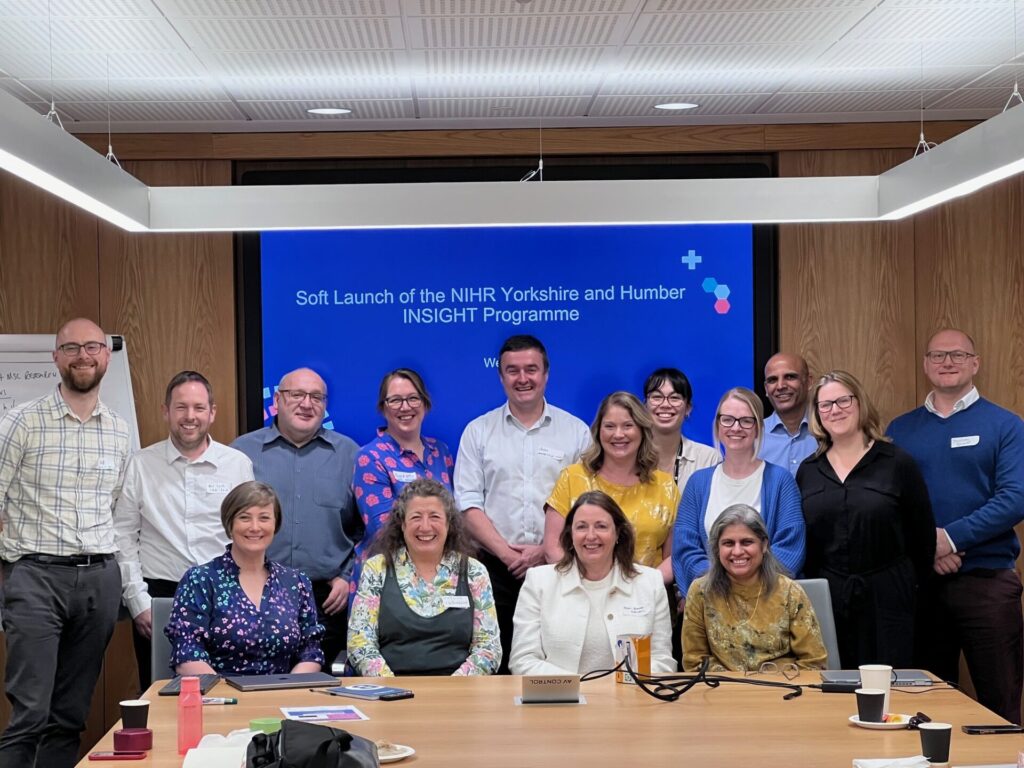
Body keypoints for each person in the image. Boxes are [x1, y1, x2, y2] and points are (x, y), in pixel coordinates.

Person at [0, 318, 132, 768]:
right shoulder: (19, 423)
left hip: (99, 579)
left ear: (106, 356)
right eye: (71, 347)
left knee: (70, 715)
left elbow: (115, 506)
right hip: (34, 578)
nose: (83, 355)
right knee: (30, 713)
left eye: (92, 346)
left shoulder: (118, 430)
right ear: (55, 357)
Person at [887, 329, 1024, 723]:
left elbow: (1014, 498)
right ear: (927, 365)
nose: (948, 362)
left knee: (1000, 703)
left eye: (958, 355)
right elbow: (890, 505)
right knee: (927, 707)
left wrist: (948, 539)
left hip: (987, 583)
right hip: (922, 586)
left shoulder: (1005, 425)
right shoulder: (900, 429)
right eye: (938, 355)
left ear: (975, 363)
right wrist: (928, 550)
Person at [455, 334, 590, 673]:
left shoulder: (576, 433)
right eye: (512, 371)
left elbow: (586, 506)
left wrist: (545, 550)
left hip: (558, 565)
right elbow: (468, 502)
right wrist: (506, 554)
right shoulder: (478, 431)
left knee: (556, 658)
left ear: (546, 374)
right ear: (500, 376)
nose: (522, 379)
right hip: (493, 569)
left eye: (531, 369)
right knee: (495, 661)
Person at [114, 370, 254, 690]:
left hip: (224, 595)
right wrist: (138, 602)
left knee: (227, 693)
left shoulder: (237, 464)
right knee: (163, 695)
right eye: (181, 407)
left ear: (212, 412)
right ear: (165, 411)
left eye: (199, 407)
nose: (190, 417)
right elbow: (122, 535)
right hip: (161, 597)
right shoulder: (140, 464)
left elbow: (250, 535)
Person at [797, 371, 935, 669]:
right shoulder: (808, 471)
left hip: (889, 597)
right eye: (825, 405)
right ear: (817, 415)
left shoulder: (898, 463)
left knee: (890, 688)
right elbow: (806, 544)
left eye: (843, 400)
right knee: (834, 686)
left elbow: (923, 539)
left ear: (860, 404)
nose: (835, 410)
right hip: (830, 597)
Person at [232, 367, 360, 671]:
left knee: (322, 693)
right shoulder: (242, 452)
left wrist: (347, 575)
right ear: (276, 400)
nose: (307, 403)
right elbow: (224, 521)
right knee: (259, 686)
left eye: (317, 397)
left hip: (327, 600)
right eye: (297, 395)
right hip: (256, 592)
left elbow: (364, 529)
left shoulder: (350, 454)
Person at [165, 481, 324, 675]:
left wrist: (289, 691)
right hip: (218, 697)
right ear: (229, 524)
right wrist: (228, 698)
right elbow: (187, 652)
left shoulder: (297, 582)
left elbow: (310, 651)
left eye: (264, 518)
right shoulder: (199, 580)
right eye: (245, 518)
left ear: (275, 525)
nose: (255, 527)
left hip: (283, 695)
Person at [510, 491, 675, 675]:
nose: (590, 536)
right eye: (581, 527)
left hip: (628, 699)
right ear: (570, 535)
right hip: (561, 701)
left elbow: (663, 661)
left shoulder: (649, 583)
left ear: (618, 533)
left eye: (601, 526)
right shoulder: (539, 581)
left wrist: (615, 689)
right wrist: (580, 688)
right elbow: (523, 660)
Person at [348, 478, 501, 676]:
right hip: (392, 692)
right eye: (416, 517)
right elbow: (360, 642)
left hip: (458, 693)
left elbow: (488, 648)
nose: (425, 526)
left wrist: (453, 689)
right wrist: (391, 687)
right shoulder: (377, 569)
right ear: (402, 524)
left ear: (449, 524)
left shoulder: (474, 572)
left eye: (435, 517)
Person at [673, 387, 805, 600]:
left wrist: (748, 587)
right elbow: (685, 549)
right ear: (717, 424)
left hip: (767, 602)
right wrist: (719, 583)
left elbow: (790, 547)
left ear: (758, 428)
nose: (736, 427)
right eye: (728, 419)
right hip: (712, 601)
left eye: (746, 420)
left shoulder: (780, 481)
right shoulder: (698, 483)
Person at [543, 391, 680, 584]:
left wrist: (643, 587)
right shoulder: (572, 478)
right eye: (609, 426)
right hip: (580, 594)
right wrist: (593, 584)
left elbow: (673, 556)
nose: (618, 434)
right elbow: (553, 548)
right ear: (598, 431)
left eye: (628, 426)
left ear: (642, 430)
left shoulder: (665, 486)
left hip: (645, 599)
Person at [682, 504, 827, 672]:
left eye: (747, 542)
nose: (737, 551)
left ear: (764, 545)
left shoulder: (790, 592)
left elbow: (814, 662)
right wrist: (737, 688)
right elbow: (695, 662)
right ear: (716, 548)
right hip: (722, 691)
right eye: (728, 543)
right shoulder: (700, 591)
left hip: (783, 690)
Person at [351, 368, 453, 601]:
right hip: (387, 578)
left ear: (425, 403)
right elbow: (383, 529)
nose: (405, 407)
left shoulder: (441, 452)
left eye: (413, 398)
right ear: (383, 408)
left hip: (439, 575)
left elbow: (452, 516)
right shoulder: (370, 457)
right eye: (395, 400)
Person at [643, 367, 721, 491]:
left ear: (688, 408)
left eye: (674, 398)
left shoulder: (708, 459)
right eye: (657, 397)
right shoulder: (631, 456)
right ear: (645, 405)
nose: (665, 405)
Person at [760, 353, 816, 476]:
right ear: (766, 389)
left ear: (809, 382)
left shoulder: (829, 430)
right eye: (772, 380)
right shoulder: (754, 436)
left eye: (790, 377)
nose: (780, 386)